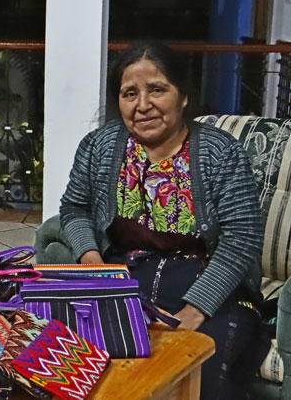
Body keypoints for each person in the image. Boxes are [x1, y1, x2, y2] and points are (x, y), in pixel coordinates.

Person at [60, 40, 264, 399]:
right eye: (129, 93)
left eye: (157, 90)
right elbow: (75, 208)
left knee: (199, 374)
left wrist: (196, 310)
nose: (142, 106)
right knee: (83, 371)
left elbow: (241, 237)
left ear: (183, 96)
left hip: (209, 284)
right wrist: (92, 264)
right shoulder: (100, 146)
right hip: (125, 280)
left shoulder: (219, 151)